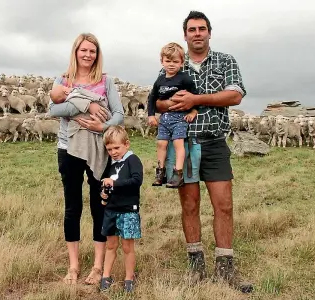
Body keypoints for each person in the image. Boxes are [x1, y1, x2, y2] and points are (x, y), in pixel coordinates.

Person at [154, 11, 253, 293]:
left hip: (214, 143)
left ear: (209, 33)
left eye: (202, 29)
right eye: (192, 29)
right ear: (185, 35)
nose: (197, 33)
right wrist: (170, 102)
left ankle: (225, 268)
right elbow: (158, 102)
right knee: (190, 205)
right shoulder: (172, 64)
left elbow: (235, 95)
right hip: (183, 144)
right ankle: (196, 269)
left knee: (224, 205)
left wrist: (196, 99)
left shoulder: (225, 61)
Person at [48, 33, 124, 286]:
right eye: (84, 50)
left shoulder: (106, 81)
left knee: (98, 205)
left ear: (97, 54)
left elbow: (119, 115)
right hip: (68, 148)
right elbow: (54, 110)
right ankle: (73, 265)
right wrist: (88, 104)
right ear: (76, 52)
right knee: (72, 207)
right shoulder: (63, 80)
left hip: (99, 150)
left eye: (93, 51)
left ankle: (98, 265)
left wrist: (101, 126)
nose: (88, 55)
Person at [147, 42, 199, 188]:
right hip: (164, 119)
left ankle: (178, 173)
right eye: (168, 61)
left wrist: (194, 111)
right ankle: (160, 172)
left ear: (182, 62)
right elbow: (152, 98)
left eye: (175, 61)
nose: (171, 64)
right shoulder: (160, 80)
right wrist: (151, 115)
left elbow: (195, 96)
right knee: (161, 143)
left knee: (178, 144)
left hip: (180, 118)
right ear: (162, 61)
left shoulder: (185, 79)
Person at [98, 125, 143, 293]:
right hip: (111, 210)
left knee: (127, 246)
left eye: (116, 148)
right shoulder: (110, 164)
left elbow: (136, 181)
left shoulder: (132, 160)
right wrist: (103, 194)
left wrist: (114, 183)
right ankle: (106, 275)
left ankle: (129, 278)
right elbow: (105, 186)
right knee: (111, 245)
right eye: (109, 149)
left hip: (128, 211)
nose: (113, 152)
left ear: (127, 144)